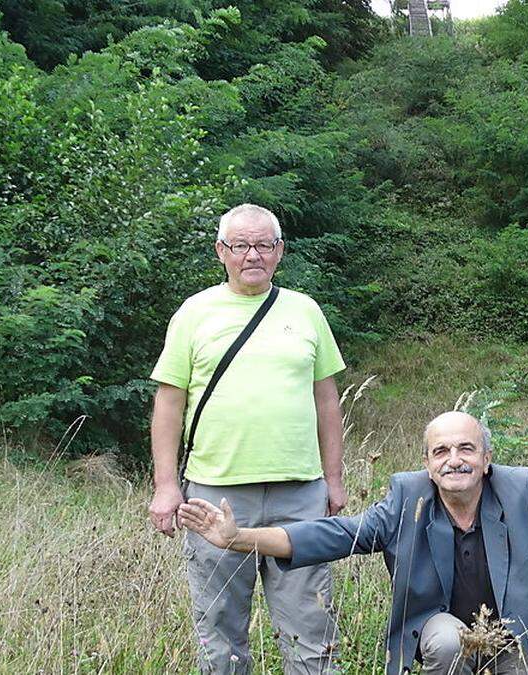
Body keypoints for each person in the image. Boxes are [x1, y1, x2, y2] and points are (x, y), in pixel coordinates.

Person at [178, 412, 528, 675]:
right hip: (440, 637)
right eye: (441, 452)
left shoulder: (525, 495)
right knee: (450, 639)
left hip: (516, 635)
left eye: (467, 449)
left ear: (487, 458)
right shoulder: (407, 503)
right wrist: (238, 537)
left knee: (527, 661)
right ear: (427, 464)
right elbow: (331, 535)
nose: (455, 460)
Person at [147, 203, 348, 673]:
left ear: (280, 252)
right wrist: (164, 485)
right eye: (240, 245)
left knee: (311, 631)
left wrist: (333, 479)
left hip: (300, 495)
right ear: (221, 251)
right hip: (214, 495)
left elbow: (327, 401)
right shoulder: (195, 312)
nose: (251, 255)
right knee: (220, 633)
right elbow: (168, 403)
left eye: (263, 245)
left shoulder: (306, 310)